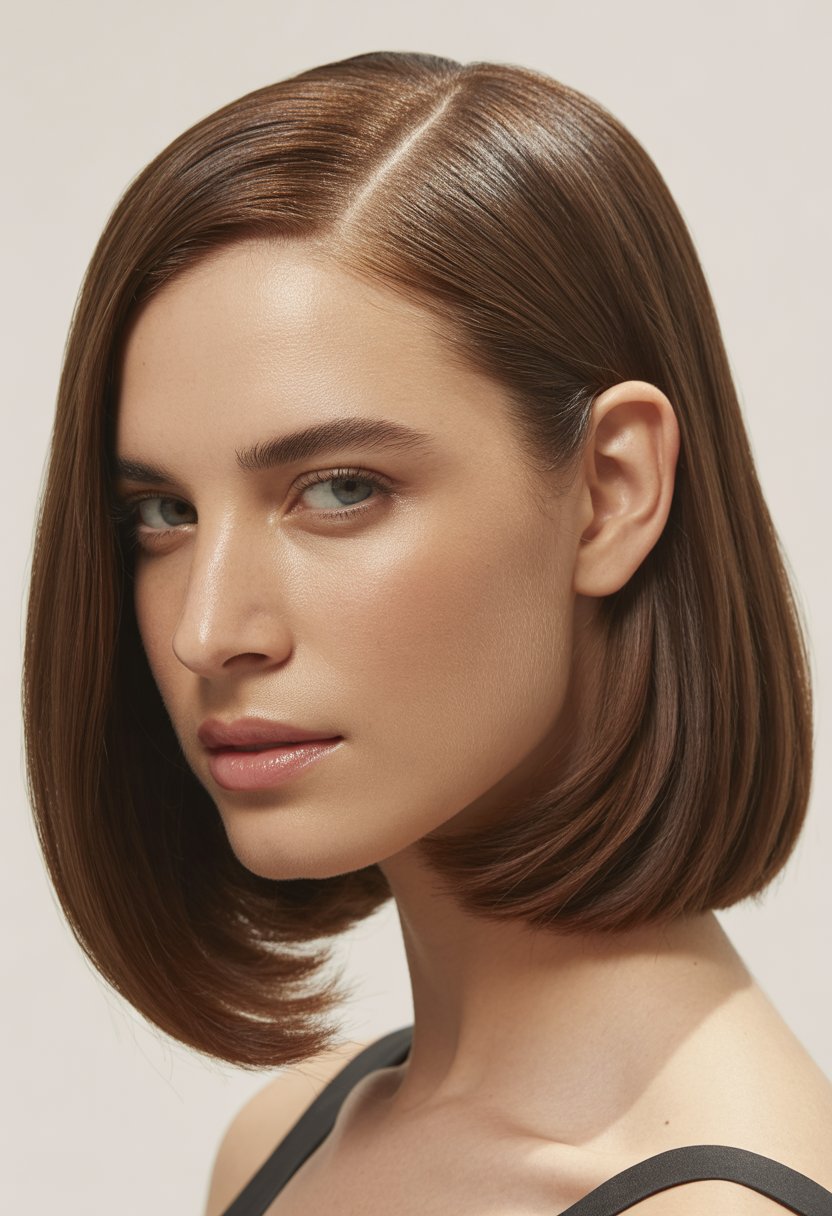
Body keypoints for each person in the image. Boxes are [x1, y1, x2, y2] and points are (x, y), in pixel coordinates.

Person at [22, 49, 832, 1216]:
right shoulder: (281, 1141)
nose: (207, 630)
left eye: (339, 488)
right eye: (161, 513)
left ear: (611, 490)